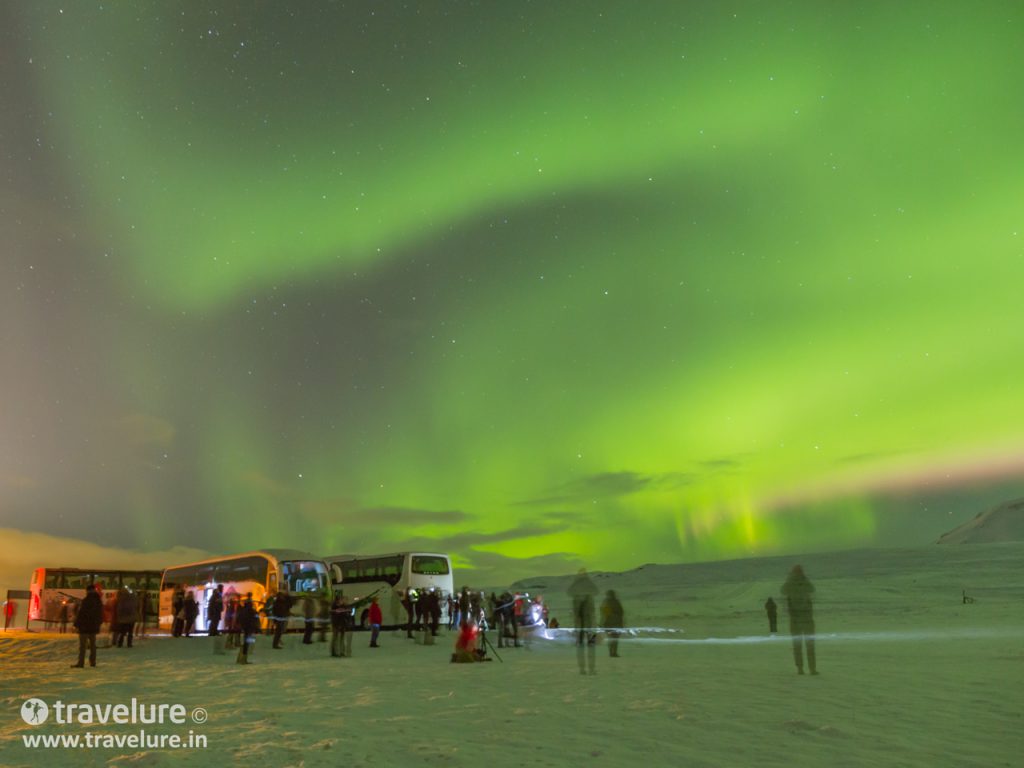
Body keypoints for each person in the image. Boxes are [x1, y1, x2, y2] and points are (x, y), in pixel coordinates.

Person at [781, 565, 817, 675]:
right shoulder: (804, 582)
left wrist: (790, 579)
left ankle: (800, 668)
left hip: (796, 620)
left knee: (797, 646)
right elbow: (812, 589)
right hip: (806, 619)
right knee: (809, 646)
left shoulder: (790, 583)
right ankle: (811, 669)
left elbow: (783, 591)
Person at [568, 569, 597, 675]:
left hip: (582, 622)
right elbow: (595, 591)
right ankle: (589, 668)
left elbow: (569, 592)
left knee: (582, 646)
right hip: (586, 622)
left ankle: (583, 669)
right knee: (589, 647)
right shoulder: (586, 586)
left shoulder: (576, 586)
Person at [72, 584, 103, 668]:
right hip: (94, 627)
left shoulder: (86, 600)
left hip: (84, 627)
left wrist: (76, 624)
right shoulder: (98, 601)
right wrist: (98, 624)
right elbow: (100, 614)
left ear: (88, 591)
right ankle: (93, 662)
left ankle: (81, 663)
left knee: (83, 646)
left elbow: (81, 614)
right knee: (93, 645)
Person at [236, 593, 261, 664]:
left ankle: (241, 657)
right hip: (249, 628)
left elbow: (239, 619)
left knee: (245, 642)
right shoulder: (251, 611)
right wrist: (257, 628)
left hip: (245, 628)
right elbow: (255, 620)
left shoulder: (242, 610)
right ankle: (244, 658)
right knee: (247, 643)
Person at [600, 589, 624, 658]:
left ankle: (612, 652)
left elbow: (605, 614)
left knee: (612, 638)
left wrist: (602, 623)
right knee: (614, 638)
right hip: (615, 623)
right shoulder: (615, 602)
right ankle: (613, 652)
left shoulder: (607, 602)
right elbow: (621, 613)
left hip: (610, 623)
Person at [330, 592, 353, 657]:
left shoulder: (342, 606)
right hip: (337, 625)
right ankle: (335, 652)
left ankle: (341, 652)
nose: (341, 600)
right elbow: (335, 616)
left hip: (341, 624)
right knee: (336, 638)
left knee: (341, 639)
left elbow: (348, 611)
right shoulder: (334, 606)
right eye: (340, 599)